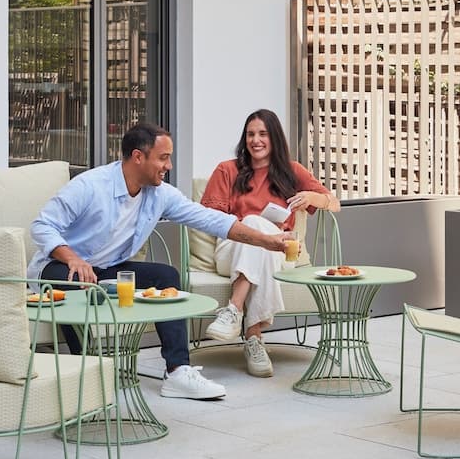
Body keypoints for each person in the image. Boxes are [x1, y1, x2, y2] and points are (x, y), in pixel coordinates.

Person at [28, 122, 289, 400]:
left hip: (108, 270)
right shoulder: (90, 185)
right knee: (78, 280)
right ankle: (87, 368)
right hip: (58, 268)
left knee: (166, 276)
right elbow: (42, 226)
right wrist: (73, 259)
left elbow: (212, 220)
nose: (169, 165)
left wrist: (267, 241)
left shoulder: (160, 193)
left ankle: (178, 371)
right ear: (138, 157)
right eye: (163, 158)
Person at [200, 109, 340, 377]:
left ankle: (234, 314)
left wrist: (311, 197)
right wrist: (250, 227)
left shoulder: (293, 171)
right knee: (254, 223)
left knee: (260, 235)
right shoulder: (227, 170)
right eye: (250, 134)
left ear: (274, 137)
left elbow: (334, 203)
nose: (256, 140)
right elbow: (209, 218)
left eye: (263, 134)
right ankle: (252, 335)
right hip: (232, 250)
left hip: (280, 253)